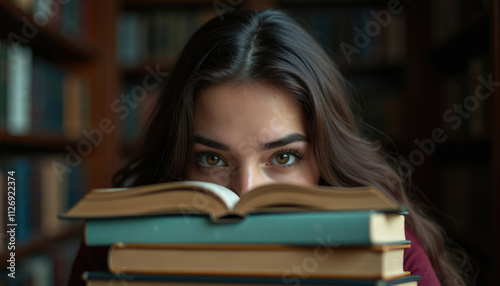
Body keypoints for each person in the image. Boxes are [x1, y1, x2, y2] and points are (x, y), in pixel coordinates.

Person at [68, 9, 469, 286]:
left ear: (324, 159)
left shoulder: (392, 253)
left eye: (283, 157)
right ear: (178, 159)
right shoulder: (113, 248)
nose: (246, 195)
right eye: (212, 159)